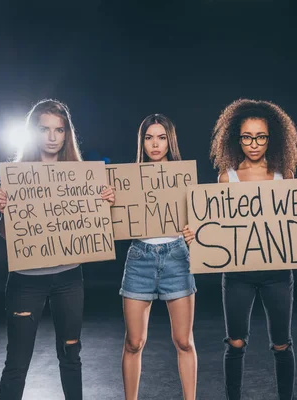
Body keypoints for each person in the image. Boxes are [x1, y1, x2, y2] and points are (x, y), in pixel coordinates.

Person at [0, 99, 115, 400]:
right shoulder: (17, 175)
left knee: (71, 355)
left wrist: (106, 204)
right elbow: (9, 234)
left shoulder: (82, 175)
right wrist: (3, 209)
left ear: (66, 134)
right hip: (25, 281)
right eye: (44, 129)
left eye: (59, 129)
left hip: (69, 279)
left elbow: (97, 228)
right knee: (17, 362)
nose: (51, 136)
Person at [208, 99, 297, 400]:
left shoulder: (286, 176)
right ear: (236, 138)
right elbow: (215, 225)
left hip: (278, 274)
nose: (253, 144)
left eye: (261, 137)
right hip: (238, 275)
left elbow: (296, 221)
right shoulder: (227, 178)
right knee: (235, 343)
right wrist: (198, 234)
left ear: (272, 138)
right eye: (247, 137)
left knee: (282, 344)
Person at [120, 114, 197, 400]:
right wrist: (108, 201)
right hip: (139, 257)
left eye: (162, 137)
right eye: (149, 137)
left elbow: (199, 217)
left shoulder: (183, 176)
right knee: (134, 342)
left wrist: (193, 231)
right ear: (142, 141)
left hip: (176, 256)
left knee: (184, 341)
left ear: (170, 140)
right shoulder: (128, 177)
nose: (155, 144)